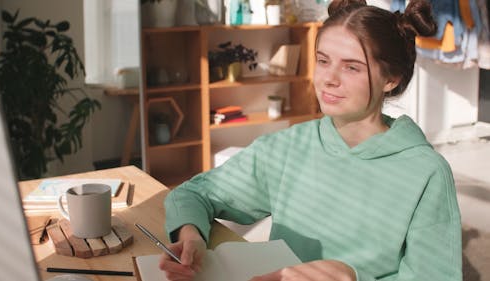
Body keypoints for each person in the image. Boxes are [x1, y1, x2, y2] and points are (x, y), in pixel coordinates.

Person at [159, 0, 463, 280]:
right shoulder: (288, 147)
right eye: (323, 60)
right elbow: (194, 193)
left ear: (391, 79)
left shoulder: (427, 173)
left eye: (351, 66)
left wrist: (352, 276)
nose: (329, 78)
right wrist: (191, 236)